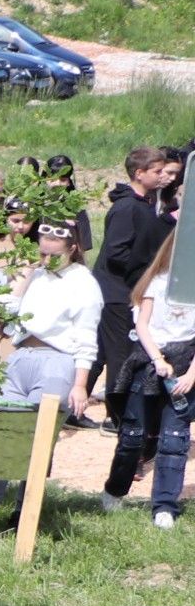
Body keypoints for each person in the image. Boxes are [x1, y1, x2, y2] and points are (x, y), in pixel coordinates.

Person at [0, 217, 103, 523]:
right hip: (21, 357)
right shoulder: (36, 274)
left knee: (38, 436)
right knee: (4, 431)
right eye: (42, 253)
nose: (46, 260)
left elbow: (87, 338)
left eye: (53, 254)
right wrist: (24, 278)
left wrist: (80, 384)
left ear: (73, 248)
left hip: (57, 359)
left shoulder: (82, 282)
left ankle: (25, 508)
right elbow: (6, 312)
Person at [97, 147, 182, 498]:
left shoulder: (146, 205)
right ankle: (127, 432)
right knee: (121, 369)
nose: (165, 176)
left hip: (132, 293)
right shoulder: (126, 208)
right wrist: (146, 277)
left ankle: (138, 436)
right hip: (118, 297)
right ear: (139, 173)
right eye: (158, 171)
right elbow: (116, 254)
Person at [113, 230, 195, 530]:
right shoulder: (157, 284)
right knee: (133, 435)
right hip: (150, 362)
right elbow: (143, 325)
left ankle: (164, 505)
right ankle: (116, 488)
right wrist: (157, 359)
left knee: (174, 441)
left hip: (185, 367)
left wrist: (191, 374)